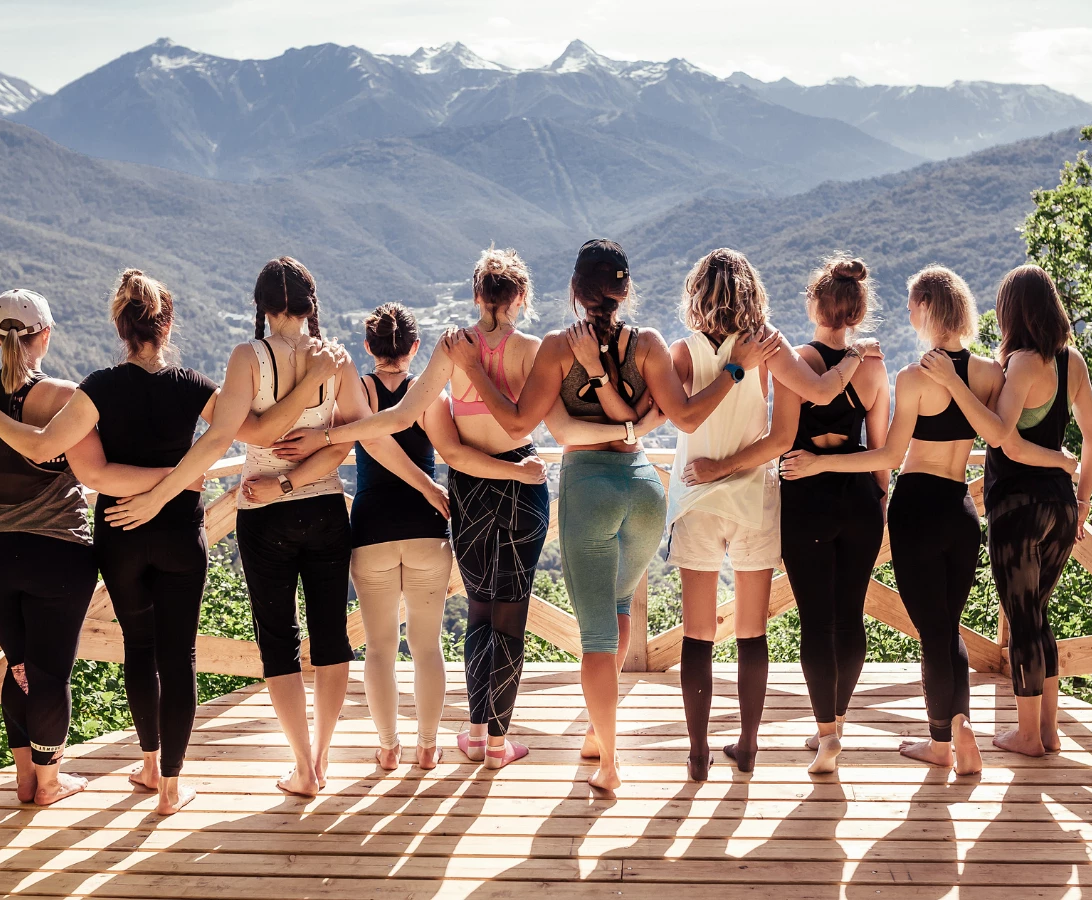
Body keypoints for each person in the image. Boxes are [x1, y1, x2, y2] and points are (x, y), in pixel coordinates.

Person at [0, 269, 333, 814]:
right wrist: (312, 378)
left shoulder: (99, 388)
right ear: (168, 323)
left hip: (121, 533)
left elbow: (44, 449)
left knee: (139, 649)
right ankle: (173, 790)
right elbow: (262, 430)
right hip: (179, 531)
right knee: (179, 656)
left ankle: (150, 766)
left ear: (119, 326)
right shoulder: (196, 386)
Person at [275, 247, 626, 769]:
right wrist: (627, 430)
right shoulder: (533, 349)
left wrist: (327, 435)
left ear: (475, 295)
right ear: (521, 297)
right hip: (522, 484)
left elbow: (399, 417)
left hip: (468, 493)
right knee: (512, 617)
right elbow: (537, 425)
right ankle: (499, 746)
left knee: (480, 614)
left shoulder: (452, 348)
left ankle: (477, 734)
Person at [449, 239, 779, 792]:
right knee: (620, 604)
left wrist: (471, 370)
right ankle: (597, 736)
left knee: (596, 636)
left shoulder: (557, 347)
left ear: (576, 291)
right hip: (643, 492)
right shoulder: (647, 343)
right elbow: (687, 416)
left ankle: (609, 764)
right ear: (625, 291)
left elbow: (514, 425)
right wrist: (737, 372)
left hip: (589, 490)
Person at [108, 258, 398, 797]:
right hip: (327, 507)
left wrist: (159, 495)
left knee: (280, 643)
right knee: (332, 636)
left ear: (263, 307)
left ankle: (302, 768)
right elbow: (355, 432)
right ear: (312, 303)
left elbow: (223, 439)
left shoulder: (249, 356)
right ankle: (323, 756)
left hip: (262, 512)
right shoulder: (333, 359)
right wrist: (314, 452)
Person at [796, 266, 1056, 774]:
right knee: (947, 628)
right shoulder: (989, 373)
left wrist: (821, 462)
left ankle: (952, 731)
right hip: (961, 510)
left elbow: (888, 456)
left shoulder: (913, 378)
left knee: (933, 631)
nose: (909, 313)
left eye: (913, 305)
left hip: (917, 507)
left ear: (928, 308)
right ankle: (947, 735)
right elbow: (998, 434)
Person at [0, 289, 168, 806]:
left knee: (18, 664)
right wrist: (173, 479)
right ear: (47, 334)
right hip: (57, 555)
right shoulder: (65, 399)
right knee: (49, 671)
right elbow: (94, 473)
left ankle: (23, 779)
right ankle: (50, 782)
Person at [917, 264, 1092, 758]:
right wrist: (1080, 494)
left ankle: (1026, 735)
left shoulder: (1021, 363)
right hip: (1062, 508)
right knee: (1038, 616)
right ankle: (1048, 729)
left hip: (1019, 507)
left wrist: (956, 385)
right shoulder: (1073, 363)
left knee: (1022, 618)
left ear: (1012, 312)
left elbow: (1005, 440)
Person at [665, 249, 784, 780]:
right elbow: (783, 433)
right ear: (750, 293)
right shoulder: (766, 348)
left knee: (697, 634)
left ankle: (697, 752)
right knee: (752, 631)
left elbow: (679, 420)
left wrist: (712, 469)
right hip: (754, 494)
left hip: (697, 499)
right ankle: (749, 744)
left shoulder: (683, 356)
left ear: (696, 295)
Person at [773, 256, 891, 775]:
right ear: (858, 312)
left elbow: (780, 435)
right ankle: (837, 722)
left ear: (813, 304)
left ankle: (825, 737)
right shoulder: (874, 366)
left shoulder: (798, 361)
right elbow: (882, 446)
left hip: (807, 498)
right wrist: (880, 495)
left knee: (816, 622)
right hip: (861, 499)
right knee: (851, 615)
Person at [347, 303, 455, 771]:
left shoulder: (358, 394)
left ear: (368, 347)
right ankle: (427, 747)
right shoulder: (427, 395)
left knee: (379, 647)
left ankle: (388, 747)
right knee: (427, 646)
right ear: (415, 348)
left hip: (371, 528)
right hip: (427, 527)